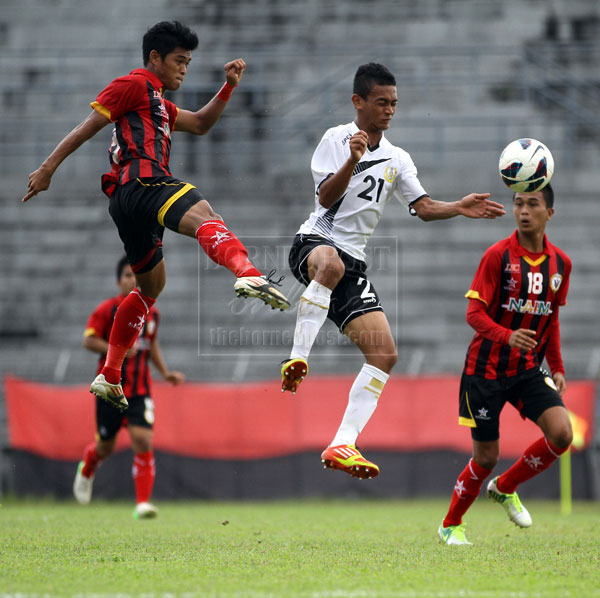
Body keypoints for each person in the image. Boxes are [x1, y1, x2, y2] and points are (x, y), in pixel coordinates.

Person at [22, 21, 289, 411]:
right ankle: (248, 275)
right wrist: (48, 168)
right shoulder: (133, 84)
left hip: (126, 200)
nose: (184, 68)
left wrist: (228, 87)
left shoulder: (158, 102)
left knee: (150, 288)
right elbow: (88, 125)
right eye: (179, 61)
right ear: (154, 58)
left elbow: (199, 123)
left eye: (189, 62)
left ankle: (110, 374)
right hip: (143, 182)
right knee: (204, 212)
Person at [281, 62, 506, 479]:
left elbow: (422, 208)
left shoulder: (398, 158)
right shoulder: (336, 138)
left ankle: (343, 442)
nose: (389, 110)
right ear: (358, 102)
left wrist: (458, 206)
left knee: (385, 355)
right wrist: (352, 160)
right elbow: (325, 199)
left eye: (394, 103)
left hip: (353, 263)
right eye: (381, 102)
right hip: (314, 244)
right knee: (328, 264)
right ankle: (297, 360)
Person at [438, 183, 573, 545]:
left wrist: (557, 366)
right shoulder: (498, 256)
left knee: (562, 433)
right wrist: (507, 335)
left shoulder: (561, 264)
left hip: (528, 369)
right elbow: (473, 313)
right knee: (486, 457)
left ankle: (506, 487)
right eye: (518, 203)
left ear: (549, 213)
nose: (524, 211)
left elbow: (552, 320)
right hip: (485, 371)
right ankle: (451, 524)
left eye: (533, 204)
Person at [73, 256, 185, 519]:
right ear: (118, 281)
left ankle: (142, 503)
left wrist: (165, 373)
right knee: (106, 448)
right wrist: (118, 349)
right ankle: (88, 466)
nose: (132, 280)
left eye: (136, 275)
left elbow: (153, 344)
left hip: (140, 390)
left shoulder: (152, 313)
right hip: (109, 389)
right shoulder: (106, 310)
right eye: (127, 275)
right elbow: (88, 341)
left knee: (143, 439)